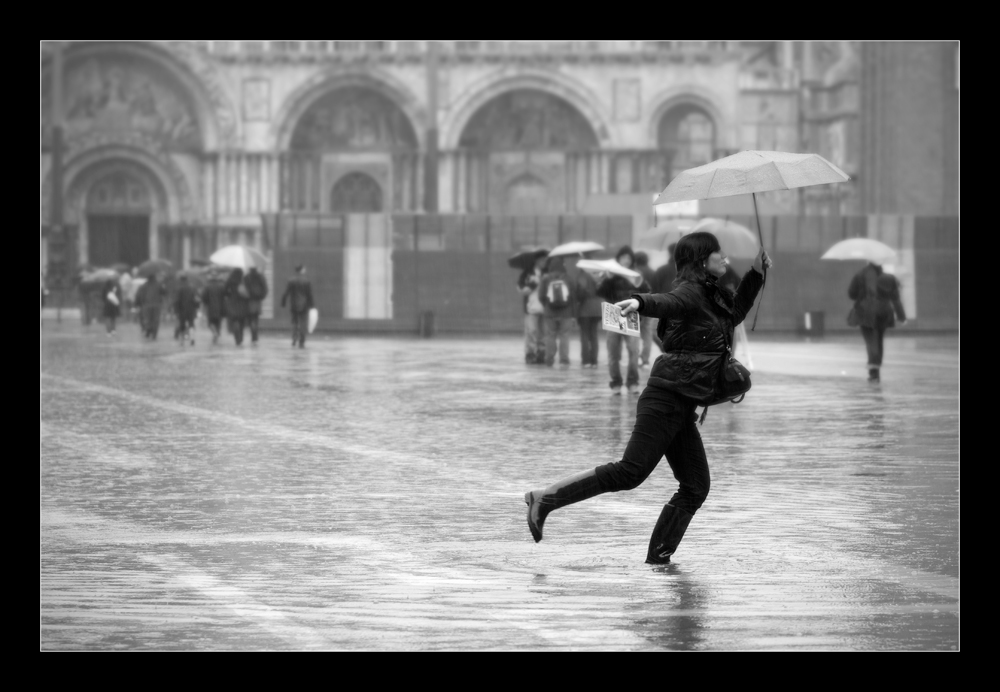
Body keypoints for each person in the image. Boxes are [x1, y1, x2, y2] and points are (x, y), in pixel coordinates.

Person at [524, 232, 772, 564]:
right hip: (666, 399)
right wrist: (641, 302)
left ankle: (659, 558)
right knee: (630, 472)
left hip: (681, 404)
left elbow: (734, 313)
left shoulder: (711, 294)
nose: (725, 259)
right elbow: (669, 301)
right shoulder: (690, 292)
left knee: (696, 487)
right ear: (702, 260)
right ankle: (547, 498)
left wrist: (757, 273)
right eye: (719, 254)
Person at [597, 245, 649, 395]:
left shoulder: (636, 274)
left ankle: (632, 381)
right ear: (618, 259)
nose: (625, 260)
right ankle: (615, 382)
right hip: (613, 312)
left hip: (631, 314)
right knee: (613, 352)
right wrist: (607, 280)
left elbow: (646, 293)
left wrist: (642, 312)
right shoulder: (610, 275)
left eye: (628, 257)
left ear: (632, 259)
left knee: (633, 351)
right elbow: (600, 292)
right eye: (623, 257)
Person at [848, 262, 907, 382]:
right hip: (884, 311)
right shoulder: (889, 278)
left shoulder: (860, 275)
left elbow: (851, 294)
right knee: (878, 340)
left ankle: (874, 371)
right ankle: (876, 369)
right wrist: (901, 316)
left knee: (871, 340)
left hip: (866, 311)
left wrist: (861, 293)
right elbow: (895, 298)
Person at [538, 256, 574, 366]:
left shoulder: (546, 278)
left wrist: (547, 305)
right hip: (565, 313)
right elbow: (572, 296)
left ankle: (549, 359)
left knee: (550, 336)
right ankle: (564, 359)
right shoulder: (567, 278)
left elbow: (541, 296)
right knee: (564, 336)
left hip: (550, 313)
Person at [719, 264, 754, 370]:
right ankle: (729, 357)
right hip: (729, 306)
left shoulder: (723, 269)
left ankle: (728, 357)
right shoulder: (727, 269)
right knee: (732, 333)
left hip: (726, 307)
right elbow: (739, 282)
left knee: (731, 333)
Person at [517, 255, 547, 364]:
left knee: (543, 332)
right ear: (536, 260)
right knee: (531, 331)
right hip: (531, 308)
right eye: (542, 259)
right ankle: (530, 354)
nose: (544, 262)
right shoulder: (527, 273)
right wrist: (532, 285)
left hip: (544, 307)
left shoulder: (546, 272)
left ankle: (541, 353)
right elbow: (520, 288)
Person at [634, 251, 660, 367]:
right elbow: (656, 288)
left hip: (636, 304)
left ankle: (635, 357)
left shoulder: (635, 272)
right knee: (647, 333)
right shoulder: (653, 272)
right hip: (650, 304)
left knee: (633, 332)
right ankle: (645, 359)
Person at [573, 262, 602, 369]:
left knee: (584, 335)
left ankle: (586, 361)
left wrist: (577, 299)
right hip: (597, 309)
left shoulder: (582, 276)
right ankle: (594, 360)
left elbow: (580, 293)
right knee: (594, 335)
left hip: (585, 309)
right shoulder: (598, 275)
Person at [280, 264, 314, 348]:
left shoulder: (291, 280)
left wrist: (283, 302)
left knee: (295, 322)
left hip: (294, 304)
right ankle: (302, 341)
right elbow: (309, 294)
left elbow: (286, 292)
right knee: (303, 323)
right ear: (302, 270)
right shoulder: (307, 281)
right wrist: (312, 305)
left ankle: (294, 339)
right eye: (304, 269)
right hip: (304, 305)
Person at [134, 273, 166, 340]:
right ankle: (154, 333)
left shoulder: (143, 286)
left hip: (146, 305)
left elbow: (139, 295)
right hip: (157, 305)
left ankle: (148, 329)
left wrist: (138, 303)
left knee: (147, 319)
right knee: (156, 320)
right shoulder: (158, 284)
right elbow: (164, 292)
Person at [224, 268, 250, 346]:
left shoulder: (230, 281)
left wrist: (229, 295)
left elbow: (225, 291)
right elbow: (248, 291)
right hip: (242, 302)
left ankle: (237, 338)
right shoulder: (244, 280)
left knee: (235, 320)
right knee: (241, 320)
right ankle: (241, 338)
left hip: (233, 301)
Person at [244, 266, 269, 345]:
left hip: (249, 300)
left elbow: (244, 288)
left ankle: (253, 335)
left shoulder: (246, 277)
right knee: (256, 318)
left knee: (251, 319)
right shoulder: (260, 276)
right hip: (257, 300)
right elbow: (265, 289)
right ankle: (255, 336)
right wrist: (262, 297)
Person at [201, 273, 227, 345]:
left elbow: (203, 297)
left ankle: (214, 332)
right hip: (220, 307)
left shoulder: (207, 287)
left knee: (210, 323)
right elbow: (226, 295)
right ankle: (217, 334)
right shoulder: (222, 286)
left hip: (210, 307)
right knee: (218, 322)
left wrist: (205, 303)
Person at [173, 275, 199, 346]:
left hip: (182, 310)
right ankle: (192, 338)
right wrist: (196, 307)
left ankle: (182, 341)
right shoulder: (192, 288)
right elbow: (197, 299)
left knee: (182, 325)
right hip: (191, 309)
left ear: (181, 280)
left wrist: (176, 311)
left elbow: (176, 301)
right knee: (191, 324)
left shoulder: (179, 289)